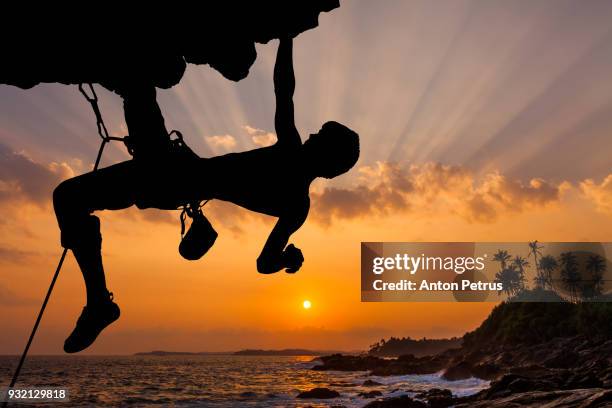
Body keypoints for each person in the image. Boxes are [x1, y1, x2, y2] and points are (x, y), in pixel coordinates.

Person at [53, 37, 360, 353]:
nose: (311, 134)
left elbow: (284, 88)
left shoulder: (290, 154)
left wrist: (288, 37)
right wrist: (286, 259)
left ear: (327, 156)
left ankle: (99, 303)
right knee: (132, 92)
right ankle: (98, 303)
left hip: (170, 175)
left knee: (71, 193)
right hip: (175, 176)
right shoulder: (297, 204)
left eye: (319, 136)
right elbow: (264, 263)